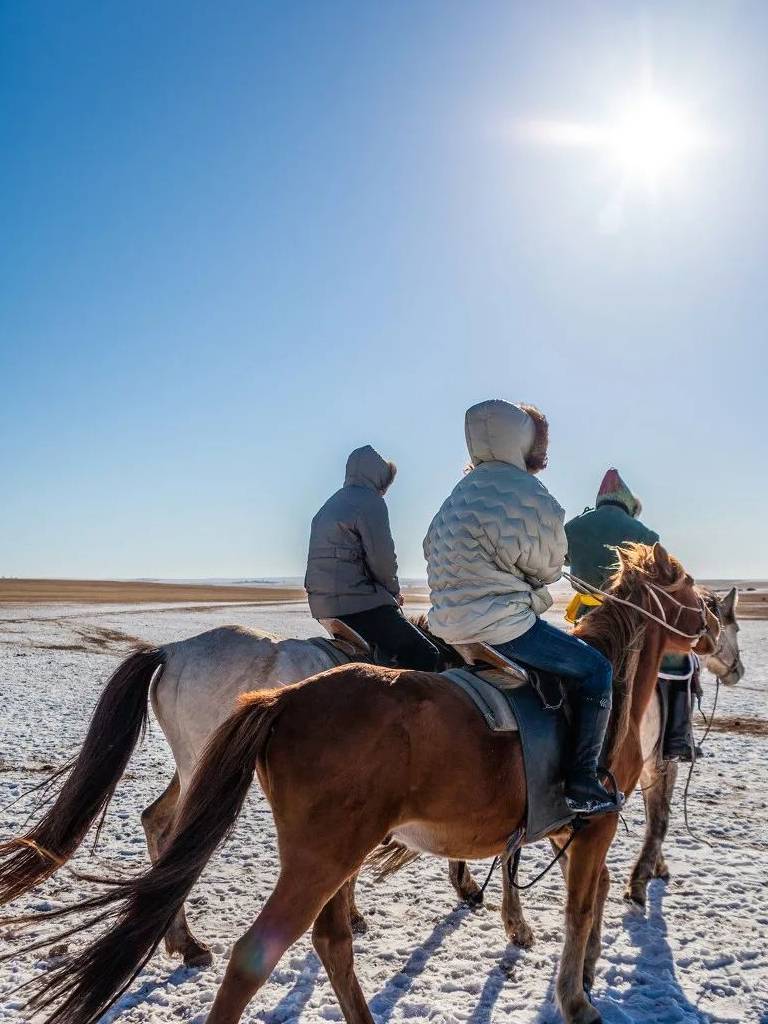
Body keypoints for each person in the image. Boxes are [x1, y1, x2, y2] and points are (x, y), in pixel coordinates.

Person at [423, 399, 621, 816]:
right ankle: (582, 780)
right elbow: (549, 566)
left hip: (448, 626)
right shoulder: (530, 494)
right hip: (503, 626)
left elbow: (430, 548)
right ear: (525, 441)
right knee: (597, 670)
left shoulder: (458, 493)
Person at [564, 469, 695, 761]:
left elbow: (561, 560)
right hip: (631, 626)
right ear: (628, 504)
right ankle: (677, 738)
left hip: (585, 620)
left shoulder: (573, 528)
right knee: (681, 663)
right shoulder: (646, 535)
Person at [305, 444, 440, 671]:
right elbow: (382, 559)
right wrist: (394, 592)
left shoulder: (330, 503)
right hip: (355, 603)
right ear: (380, 478)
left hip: (322, 605)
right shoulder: (370, 502)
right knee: (426, 653)